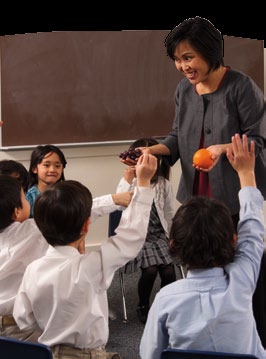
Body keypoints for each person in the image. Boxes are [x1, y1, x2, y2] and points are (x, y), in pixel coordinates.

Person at [121, 16, 266, 344]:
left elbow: (259, 141)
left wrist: (222, 148)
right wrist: (147, 149)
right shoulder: (183, 91)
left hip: (232, 199)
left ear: (210, 52)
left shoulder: (242, 87)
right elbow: (176, 138)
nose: (183, 66)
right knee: (202, 275)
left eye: (189, 57)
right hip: (196, 201)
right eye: (177, 60)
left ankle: (248, 337)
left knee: (243, 277)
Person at [13, 153, 157, 359]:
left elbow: (24, 319)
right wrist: (143, 183)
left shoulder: (32, 269)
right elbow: (130, 237)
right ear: (87, 225)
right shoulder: (90, 267)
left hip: (46, 353)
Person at [139, 134, 266, 359]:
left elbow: (150, 355)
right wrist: (246, 173)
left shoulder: (164, 299)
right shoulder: (242, 281)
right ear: (233, 241)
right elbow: (253, 229)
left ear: (173, 245)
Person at [117, 138, 176, 324]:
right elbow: (119, 207)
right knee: (150, 271)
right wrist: (127, 181)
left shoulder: (164, 184)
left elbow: (169, 212)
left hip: (159, 235)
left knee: (169, 272)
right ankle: (143, 305)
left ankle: (165, 304)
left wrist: (173, 236)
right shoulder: (129, 181)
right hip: (139, 237)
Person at [0, 175, 49, 342]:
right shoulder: (33, 230)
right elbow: (68, 215)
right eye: (24, 196)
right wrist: (113, 199)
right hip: (19, 329)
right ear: (17, 211)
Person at [26, 144, 67, 217]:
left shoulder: (67, 193)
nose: (52, 170)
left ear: (62, 169)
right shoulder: (29, 197)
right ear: (34, 169)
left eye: (57, 166)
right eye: (46, 165)